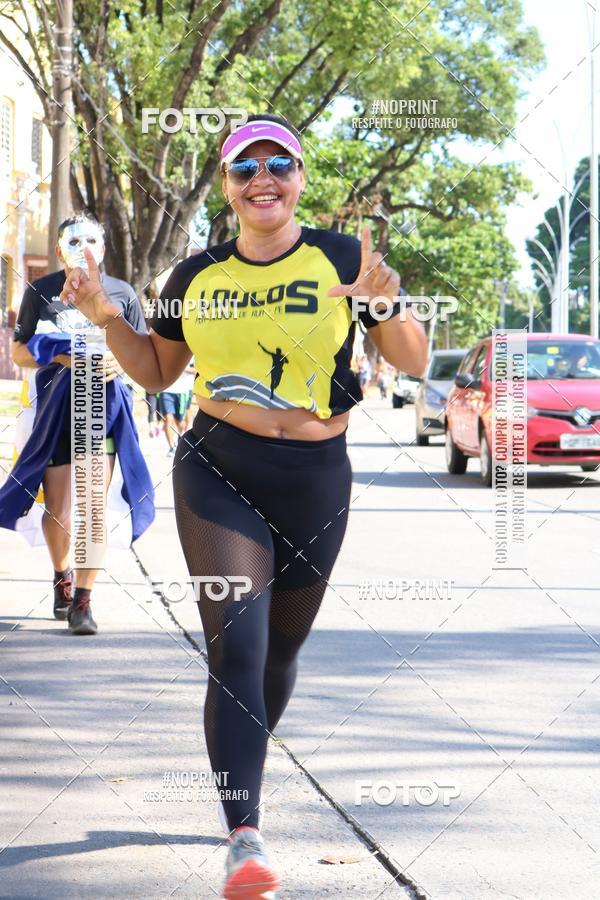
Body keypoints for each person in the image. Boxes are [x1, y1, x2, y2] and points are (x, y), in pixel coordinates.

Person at [59, 113, 427, 898]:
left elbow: (414, 361)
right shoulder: (191, 277)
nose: (263, 177)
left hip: (318, 474)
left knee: (280, 654)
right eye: (244, 167)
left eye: (279, 163)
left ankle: (243, 763)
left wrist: (389, 304)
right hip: (219, 466)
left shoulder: (342, 257)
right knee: (238, 646)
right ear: (227, 187)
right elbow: (157, 373)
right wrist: (102, 316)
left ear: (299, 179)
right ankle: (244, 835)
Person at [9, 212, 149, 635]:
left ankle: (84, 602)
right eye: (72, 241)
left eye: (90, 240)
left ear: (103, 248)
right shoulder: (41, 291)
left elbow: (142, 357)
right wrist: (57, 355)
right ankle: (61, 575)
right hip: (54, 410)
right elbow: (18, 353)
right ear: (58, 249)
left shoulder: (123, 293)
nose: (82, 248)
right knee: (60, 510)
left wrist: (118, 360)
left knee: (92, 508)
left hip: (101, 409)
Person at [156, 365, 196, 454]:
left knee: (180, 422)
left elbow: (196, 370)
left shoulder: (190, 353)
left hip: (182, 391)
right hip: (166, 390)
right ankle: (171, 447)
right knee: (168, 419)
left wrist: (181, 367)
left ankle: (180, 437)